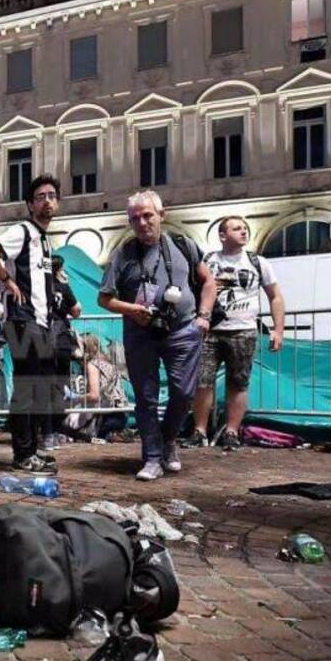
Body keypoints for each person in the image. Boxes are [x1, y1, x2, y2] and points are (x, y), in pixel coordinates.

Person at [98, 189, 216, 481]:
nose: (142, 223)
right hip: (140, 334)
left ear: (162, 215)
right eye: (135, 218)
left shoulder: (183, 244)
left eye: (147, 215)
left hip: (183, 330)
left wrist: (203, 316)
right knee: (146, 398)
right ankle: (152, 456)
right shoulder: (122, 255)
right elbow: (104, 299)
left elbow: (208, 282)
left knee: (183, 393)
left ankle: (168, 441)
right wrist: (132, 309)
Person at [0, 174, 62, 476]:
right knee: (27, 388)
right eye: (40, 196)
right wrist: (6, 280)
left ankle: (31, 449)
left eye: (52, 195)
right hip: (22, 320)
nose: (47, 200)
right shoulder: (23, 231)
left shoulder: (44, 239)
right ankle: (23, 453)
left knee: (38, 387)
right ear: (29, 204)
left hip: (39, 322)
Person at [184, 216, 285, 450]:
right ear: (222, 235)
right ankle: (199, 431)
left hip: (244, 330)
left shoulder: (258, 262)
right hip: (210, 330)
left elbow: (275, 296)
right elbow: (190, 289)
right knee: (202, 381)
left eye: (244, 228)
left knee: (239, 383)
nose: (243, 232)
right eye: (237, 228)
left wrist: (278, 330)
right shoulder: (207, 260)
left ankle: (231, 432)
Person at [43, 255, 81, 450]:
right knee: (59, 388)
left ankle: (48, 434)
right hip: (62, 341)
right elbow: (77, 310)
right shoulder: (63, 287)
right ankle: (56, 432)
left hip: (43, 339)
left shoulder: (39, 288)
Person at [67, 334, 129, 440]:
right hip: (121, 414)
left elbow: (94, 396)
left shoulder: (92, 365)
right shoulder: (109, 362)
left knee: (66, 425)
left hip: (106, 417)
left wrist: (75, 397)